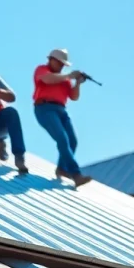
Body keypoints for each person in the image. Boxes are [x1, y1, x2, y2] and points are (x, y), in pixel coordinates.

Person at [33, 49, 93, 186]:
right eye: (59, 63)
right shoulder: (42, 70)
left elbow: (74, 97)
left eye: (62, 64)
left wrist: (77, 83)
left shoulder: (64, 79)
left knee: (72, 140)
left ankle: (62, 169)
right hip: (45, 108)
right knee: (62, 138)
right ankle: (75, 174)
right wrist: (70, 76)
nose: (61, 66)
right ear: (51, 60)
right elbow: (47, 79)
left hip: (61, 110)